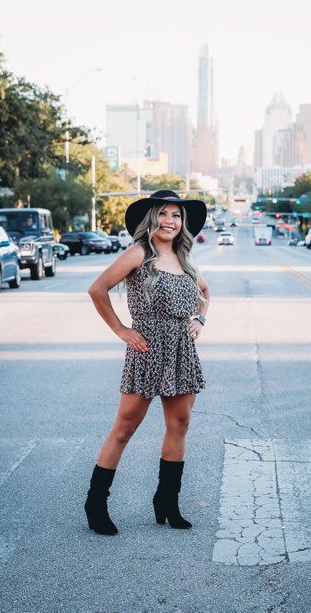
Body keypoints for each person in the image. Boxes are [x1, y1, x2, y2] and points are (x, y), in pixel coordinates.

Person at [84, 189, 210, 535]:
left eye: (177, 216)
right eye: (164, 214)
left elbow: (205, 293)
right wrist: (121, 329)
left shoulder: (185, 260)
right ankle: (96, 503)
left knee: (179, 425)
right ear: (152, 219)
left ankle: (167, 502)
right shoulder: (139, 253)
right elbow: (98, 289)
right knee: (125, 428)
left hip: (182, 351)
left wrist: (200, 320)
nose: (171, 221)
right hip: (146, 350)